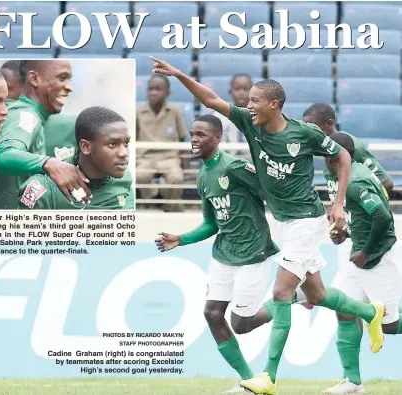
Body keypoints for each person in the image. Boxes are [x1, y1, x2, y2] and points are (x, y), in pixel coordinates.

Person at [149, 56, 385, 395]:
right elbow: (211, 100)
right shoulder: (250, 124)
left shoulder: (305, 133)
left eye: (255, 101)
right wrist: (178, 74)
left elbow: (344, 156)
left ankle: (268, 378)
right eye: (247, 102)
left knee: (281, 292)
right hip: (285, 223)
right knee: (316, 293)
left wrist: (337, 203)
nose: (248, 106)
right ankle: (369, 311)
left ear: (274, 104)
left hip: (306, 221)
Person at [156, 114, 279, 393]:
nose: (194, 140)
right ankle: (249, 381)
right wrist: (181, 239)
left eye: (200, 135)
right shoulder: (203, 175)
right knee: (212, 313)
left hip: (252, 252)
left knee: (241, 323)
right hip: (224, 253)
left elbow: (270, 192)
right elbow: (212, 222)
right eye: (191, 134)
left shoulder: (234, 166)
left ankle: (292, 296)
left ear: (216, 138)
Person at [322, 132, 401, 394]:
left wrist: (366, 251)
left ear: (339, 155)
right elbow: (357, 213)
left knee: (389, 326)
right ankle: (352, 382)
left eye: (328, 150)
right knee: (343, 307)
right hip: (358, 253)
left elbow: (382, 217)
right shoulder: (337, 174)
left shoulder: (356, 180)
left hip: (377, 257)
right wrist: (343, 232)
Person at [0, 60, 91, 210]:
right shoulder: (25, 115)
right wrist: (52, 164)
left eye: (69, 79)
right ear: (34, 79)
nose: (69, 87)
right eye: (61, 78)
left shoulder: (14, 114)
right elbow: (6, 156)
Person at [19, 106, 134, 210]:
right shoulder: (42, 189)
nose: (124, 153)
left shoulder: (124, 178)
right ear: (86, 147)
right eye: (113, 144)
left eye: (126, 144)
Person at [302, 103, 394, 199]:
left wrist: (361, 206)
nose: (308, 133)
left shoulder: (353, 146)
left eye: (313, 128)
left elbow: (386, 183)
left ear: (329, 124)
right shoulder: (324, 148)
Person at [136, 74, 188, 212]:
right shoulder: (138, 112)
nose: (153, 92)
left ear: (167, 92)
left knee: (176, 178)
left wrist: (185, 166)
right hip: (145, 157)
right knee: (139, 175)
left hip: (169, 157)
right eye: (150, 89)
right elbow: (132, 138)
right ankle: (154, 198)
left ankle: (171, 207)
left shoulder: (175, 111)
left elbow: (182, 138)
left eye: (158, 89)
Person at [212, 74, 252, 153]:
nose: (241, 93)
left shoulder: (261, 115)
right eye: (237, 89)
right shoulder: (219, 115)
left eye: (245, 89)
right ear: (230, 92)